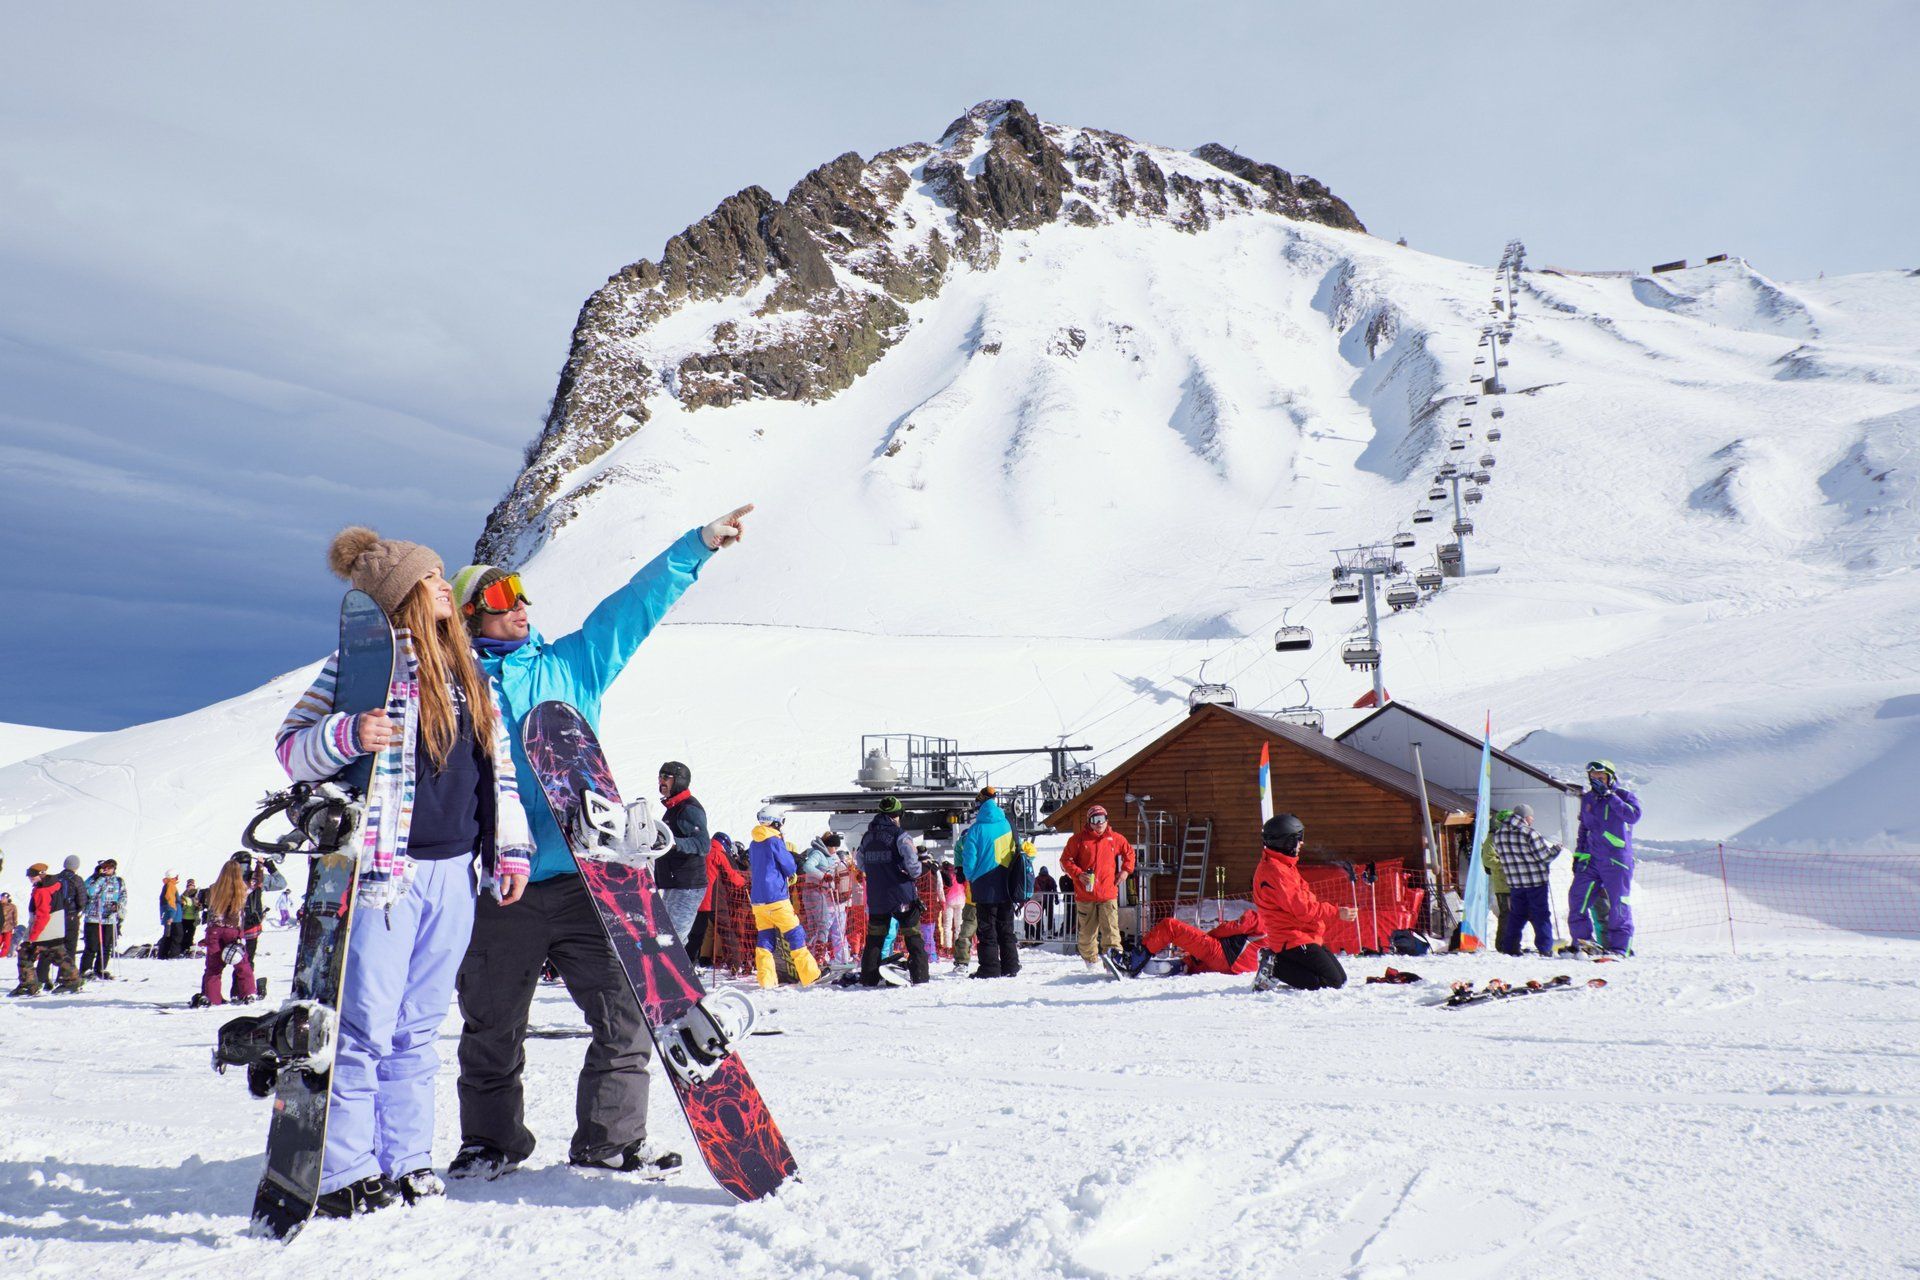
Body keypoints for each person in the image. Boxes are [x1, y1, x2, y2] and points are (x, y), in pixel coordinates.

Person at [449, 506, 748, 1182]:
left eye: (522, 593)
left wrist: (695, 543)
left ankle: (609, 1141)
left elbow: (630, 609)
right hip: (504, 885)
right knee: (492, 1024)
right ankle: (490, 1144)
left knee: (625, 1015)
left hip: (592, 882)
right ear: (468, 616)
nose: (520, 606)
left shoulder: (572, 667)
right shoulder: (454, 690)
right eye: (499, 598)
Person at [277, 526, 534, 1217]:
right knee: (365, 1026)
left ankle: (408, 1159)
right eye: (433, 577)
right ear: (403, 596)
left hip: (455, 872)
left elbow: (498, 771)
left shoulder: (468, 671)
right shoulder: (358, 664)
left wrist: (510, 850)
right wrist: (347, 735)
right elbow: (290, 750)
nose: (446, 585)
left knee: (419, 1027)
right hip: (386, 870)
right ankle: (345, 1169)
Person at [1251, 814, 1357, 992]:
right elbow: (1304, 909)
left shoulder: (1283, 866)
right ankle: (1275, 967)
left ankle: (1279, 962)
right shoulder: (1277, 872)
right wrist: (1337, 912)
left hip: (1303, 933)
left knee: (1341, 978)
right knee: (1332, 982)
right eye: (1298, 839)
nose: (1301, 843)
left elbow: (1303, 901)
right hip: (1290, 937)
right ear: (1286, 842)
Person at [743, 807, 822, 988]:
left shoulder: (754, 843)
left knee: (765, 939)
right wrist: (790, 871)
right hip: (776, 898)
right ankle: (810, 975)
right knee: (795, 934)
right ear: (776, 821)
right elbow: (788, 865)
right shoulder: (774, 840)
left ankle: (767, 980)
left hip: (758, 900)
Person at [1571, 760, 1642, 955]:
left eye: (1601, 778)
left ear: (1610, 778)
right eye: (1593, 778)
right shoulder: (1588, 799)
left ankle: (1619, 947)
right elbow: (1584, 828)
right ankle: (1583, 943)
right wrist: (1579, 854)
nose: (1596, 781)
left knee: (1618, 904)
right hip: (1592, 859)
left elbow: (1633, 816)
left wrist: (1610, 796)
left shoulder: (1623, 796)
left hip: (1616, 859)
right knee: (1577, 899)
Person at [856, 797, 929, 985]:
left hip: (877, 896)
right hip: (901, 895)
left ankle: (869, 978)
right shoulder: (901, 836)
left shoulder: (867, 837)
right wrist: (925, 867)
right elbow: (913, 868)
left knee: (875, 939)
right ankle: (920, 976)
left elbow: (861, 864)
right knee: (912, 937)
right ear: (897, 815)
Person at [1059, 804, 1135, 972]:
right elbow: (1065, 860)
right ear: (1089, 821)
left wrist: (1125, 872)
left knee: (1111, 931)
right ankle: (1091, 962)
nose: (1099, 823)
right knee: (1087, 934)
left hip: (1108, 894)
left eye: (1102, 819)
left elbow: (1129, 853)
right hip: (1085, 895)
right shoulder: (1078, 840)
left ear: (1107, 820)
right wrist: (1078, 874)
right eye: (1095, 820)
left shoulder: (1115, 838)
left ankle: (1114, 961)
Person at [956, 787, 1019, 979]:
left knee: (987, 929)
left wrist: (971, 876)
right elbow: (1017, 850)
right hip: (1007, 884)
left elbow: (969, 860)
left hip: (984, 886)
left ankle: (990, 968)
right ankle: (1011, 966)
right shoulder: (1008, 825)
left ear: (980, 806)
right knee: (1006, 928)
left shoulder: (976, 829)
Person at [1492, 804, 1561, 956]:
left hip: (1515, 882)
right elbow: (1545, 856)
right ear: (1525, 817)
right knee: (1540, 914)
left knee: (1517, 915)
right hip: (1535, 881)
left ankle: (1510, 947)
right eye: (1531, 816)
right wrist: (1557, 849)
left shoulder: (1498, 834)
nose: (1532, 819)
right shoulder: (1529, 833)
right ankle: (1545, 947)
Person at [654, 761, 711, 942]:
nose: (661, 781)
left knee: (673, 940)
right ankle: (669, 970)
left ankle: (679, 970)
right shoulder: (674, 809)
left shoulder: (689, 809)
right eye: (660, 776)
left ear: (679, 780)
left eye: (666, 777)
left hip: (688, 885)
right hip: (675, 883)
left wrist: (672, 843)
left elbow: (703, 844)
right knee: (664, 936)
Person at [1122, 908, 1265, 977]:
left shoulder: (1263, 917)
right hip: (1240, 969)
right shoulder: (1282, 929)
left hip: (1223, 954)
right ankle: (1181, 966)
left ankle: (1134, 960)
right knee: (1199, 960)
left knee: (1170, 926)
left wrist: (1207, 937)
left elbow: (1232, 928)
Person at [11, 864, 81, 995]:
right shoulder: (52, 886)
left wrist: (32, 936)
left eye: (33, 875)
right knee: (59, 954)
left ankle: (29, 984)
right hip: (54, 929)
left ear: (41, 874)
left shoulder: (43, 891)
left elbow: (43, 915)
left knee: (25, 953)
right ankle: (73, 979)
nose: (30, 878)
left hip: (45, 931)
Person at [198, 859, 260, 1006]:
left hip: (213, 930)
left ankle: (213, 998)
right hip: (233, 931)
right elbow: (257, 882)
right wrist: (260, 866)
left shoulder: (213, 889)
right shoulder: (242, 889)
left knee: (213, 967)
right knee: (241, 963)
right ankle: (248, 993)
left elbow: (200, 900)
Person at [689, 832, 747, 964]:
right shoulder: (718, 854)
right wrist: (744, 882)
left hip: (697, 899)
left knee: (696, 934)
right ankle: (735, 964)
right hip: (714, 901)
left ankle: (687, 962)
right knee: (726, 932)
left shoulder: (701, 851)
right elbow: (731, 875)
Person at [797, 831, 852, 965]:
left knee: (817, 926)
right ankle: (816, 957)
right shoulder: (818, 853)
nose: (836, 850)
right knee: (820, 925)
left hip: (823, 893)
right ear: (828, 845)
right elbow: (808, 866)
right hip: (816, 893)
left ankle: (816, 957)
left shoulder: (830, 855)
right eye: (834, 847)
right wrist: (823, 876)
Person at [82, 859, 125, 980]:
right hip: (94, 916)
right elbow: (90, 892)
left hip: (110, 917)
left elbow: (123, 895)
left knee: (107, 945)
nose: (107, 869)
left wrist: (118, 905)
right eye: (105, 867)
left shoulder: (119, 881)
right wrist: (99, 878)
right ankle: (86, 969)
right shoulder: (94, 879)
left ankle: (100, 968)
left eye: (110, 867)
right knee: (92, 945)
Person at [1479, 811, 1511, 948]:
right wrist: (1505, 865)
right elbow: (1488, 860)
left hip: (1514, 882)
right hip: (1502, 883)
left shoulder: (1509, 837)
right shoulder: (1492, 839)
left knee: (1515, 914)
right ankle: (1502, 944)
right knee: (1507, 914)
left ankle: (1511, 942)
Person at [158, 874, 182, 959]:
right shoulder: (171, 885)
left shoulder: (168, 885)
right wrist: (172, 914)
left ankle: (163, 954)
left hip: (172, 916)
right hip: (174, 917)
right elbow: (170, 900)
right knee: (177, 935)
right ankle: (173, 954)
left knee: (168, 935)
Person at [177, 879, 200, 957]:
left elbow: (200, 907)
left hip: (193, 919)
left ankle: (188, 948)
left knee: (191, 934)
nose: (190, 887)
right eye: (189, 886)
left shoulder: (197, 896)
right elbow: (179, 906)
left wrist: (198, 906)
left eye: (192, 886)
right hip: (184, 918)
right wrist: (183, 905)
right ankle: (182, 948)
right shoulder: (183, 896)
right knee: (182, 934)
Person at [1033, 865, 1057, 938]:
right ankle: (1050, 931)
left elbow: (1033, 889)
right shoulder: (1050, 879)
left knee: (1040, 916)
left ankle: (1040, 930)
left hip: (1040, 900)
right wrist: (1056, 898)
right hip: (1048, 900)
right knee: (1049, 916)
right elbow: (1055, 889)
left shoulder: (1037, 879)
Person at [0, 891, 15, 961]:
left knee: (7, 941)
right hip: (1, 926)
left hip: (9, 926)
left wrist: (15, 924)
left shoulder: (12, 906)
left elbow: (14, 915)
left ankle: (3, 954)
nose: (2, 899)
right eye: (2, 897)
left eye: (4, 898)